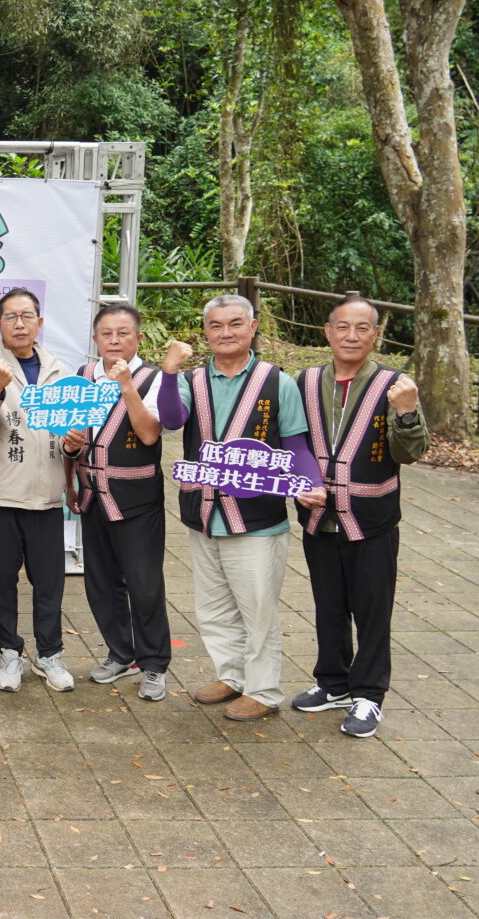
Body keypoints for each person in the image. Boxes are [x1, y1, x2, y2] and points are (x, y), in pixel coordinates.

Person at [156, 294, 326, 721]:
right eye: (216, 325)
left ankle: (263, 691)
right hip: (203, 512)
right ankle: (231, 675)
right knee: (213, 607)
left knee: (258, 610)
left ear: (252, 328)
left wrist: (311, 483)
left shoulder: (277, 382)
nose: (226, 332)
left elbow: (296, 443)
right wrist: (169, 371)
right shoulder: (192, 380)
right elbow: (172, 420)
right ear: (206, 332)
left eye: (235, 324)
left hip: (257, 518)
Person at [291, 295, 427, 738]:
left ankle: (368, 695)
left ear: (375, 335)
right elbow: (291, 443)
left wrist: (406, 412)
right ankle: (333, 683)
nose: (351, 336)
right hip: (318, 519)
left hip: (372, 519)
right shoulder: (306, 382)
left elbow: (410, 453)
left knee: (372, 610)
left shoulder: (395, 385)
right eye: (343, 327)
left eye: (362, 328)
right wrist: (297, 485)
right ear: (328, 332)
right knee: (328, 605)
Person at [0, 288, 76, 694]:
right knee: (2, 583)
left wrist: (74, 444)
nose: (19, 323)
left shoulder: (59, 371)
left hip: (46, 495)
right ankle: (9, 652)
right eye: (11, 317)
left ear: (39, 322)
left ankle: (49, 654)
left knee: (49, 582)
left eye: (27, 316)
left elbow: (67, 437)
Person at [64, 303, 171, 701]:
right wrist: (70, 468)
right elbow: (70, 436)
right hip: (92, 495)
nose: (114, 340)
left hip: (137, 499)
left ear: (138, 338)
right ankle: (120, 653)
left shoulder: (153, 379)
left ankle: (154, 663)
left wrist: (126, 385)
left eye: (123, 333)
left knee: (144, 585)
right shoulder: (82, 376)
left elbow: (149, 434)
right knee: (100, 582)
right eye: (106, 334)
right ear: (95, 339)